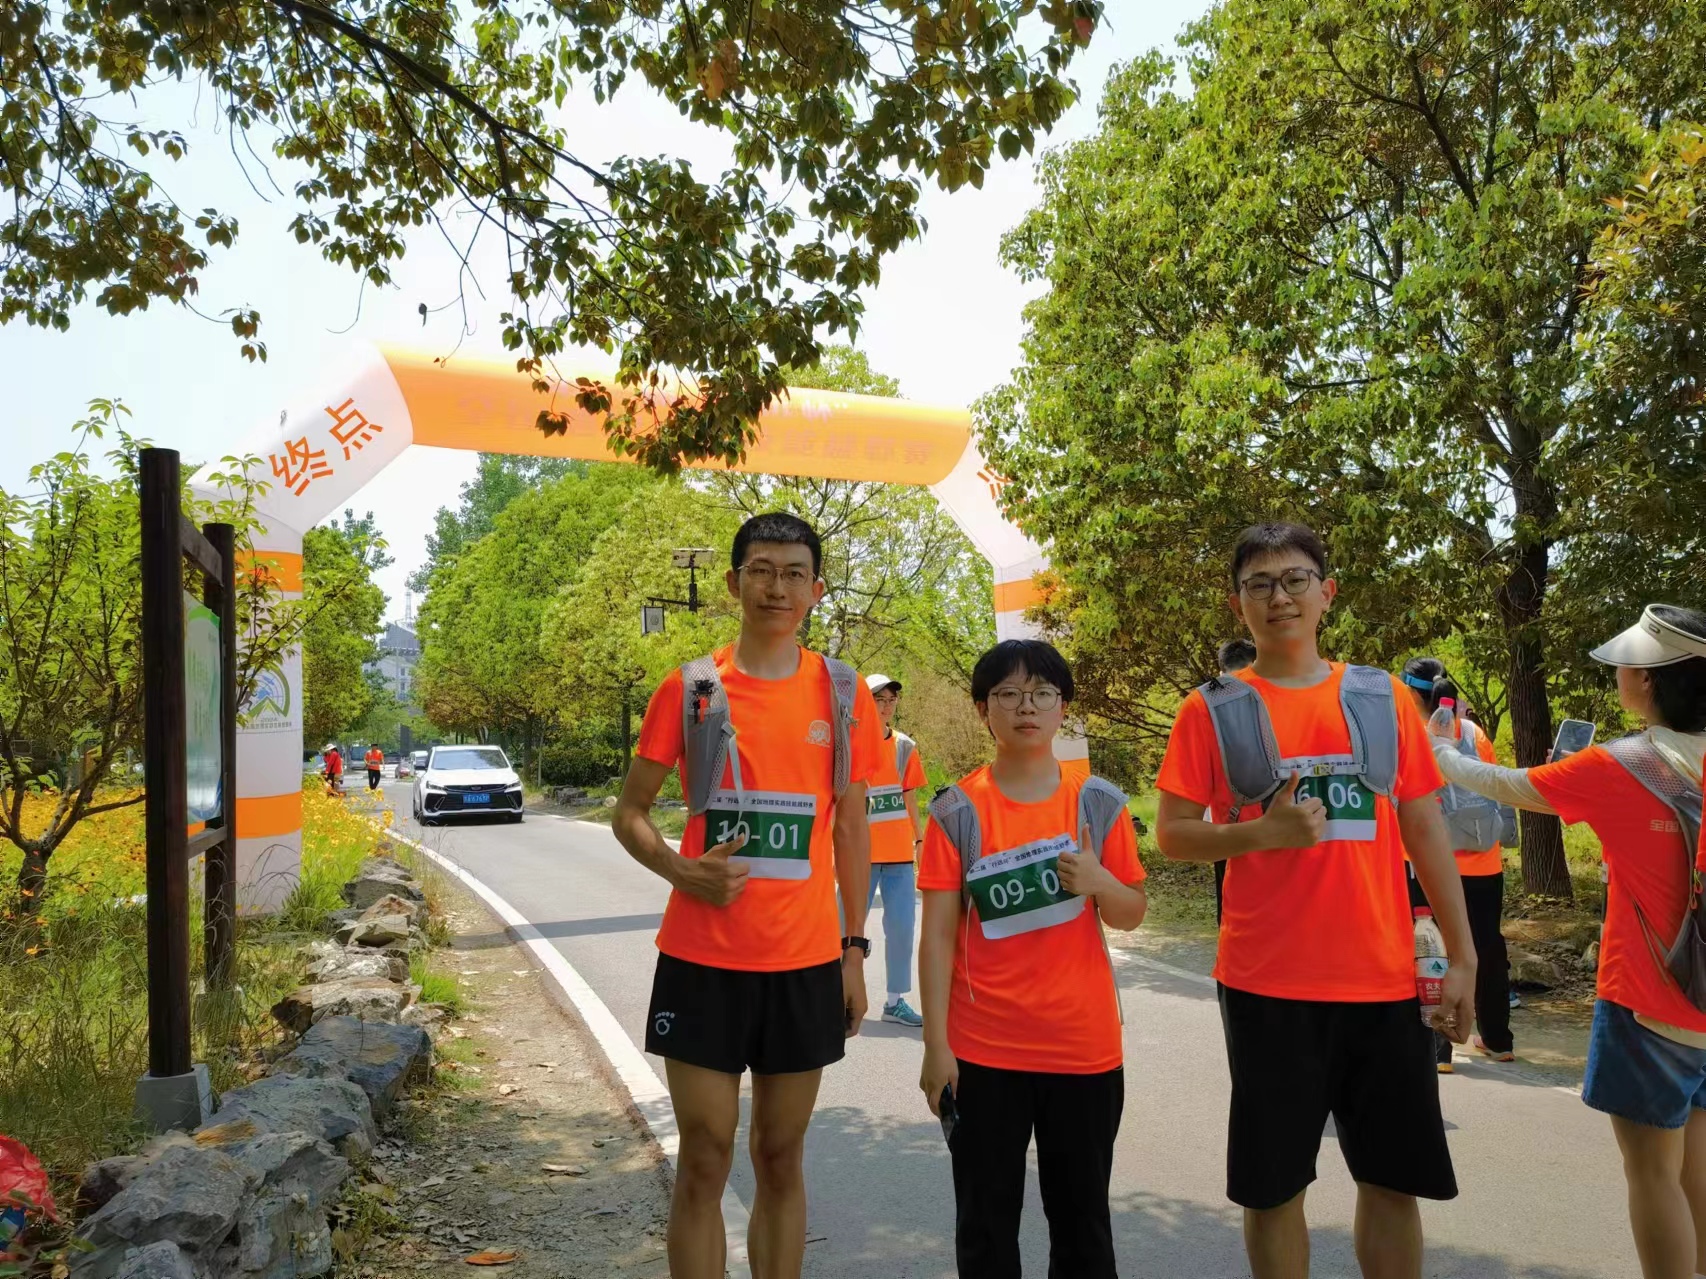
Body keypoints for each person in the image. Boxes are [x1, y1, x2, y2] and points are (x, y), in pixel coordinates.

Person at [1155, 522, 1474, 1279]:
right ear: (1237, 604)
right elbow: (1172, 834)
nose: (1280, 597)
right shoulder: (1212, 709)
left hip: (1383, 981)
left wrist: (1463, 955)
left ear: (1326, 592)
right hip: (1268, 985)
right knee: (1273, 1189)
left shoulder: (1380, 696)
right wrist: (1262, 833)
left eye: (1295, 579)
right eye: (1260, 584)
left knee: (1393, 1181)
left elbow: (1424, 826)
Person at [612, 512, 885, 1279]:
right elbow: (629, 813)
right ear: (734, 582)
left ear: (817, 590)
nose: (777, 587)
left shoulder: (843, 694)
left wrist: (853, 951)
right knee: (704, 1156)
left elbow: (852, 828)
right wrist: (682, 871)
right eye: (762, 570)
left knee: (780, 1153)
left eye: (794, 573)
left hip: (804, 964)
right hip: (702, 960)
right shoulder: (693, 688)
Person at [1429, 604, 1706, 1279]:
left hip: (1649, 1001)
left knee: (1652, 1174)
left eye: (1627, 667)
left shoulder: (1625, 764)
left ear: (1649, 678)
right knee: (1696, 1167)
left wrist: (1439, 748)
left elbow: (1505, 785)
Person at [917, 638, 1147, 1278]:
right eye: (1009, 694)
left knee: (1083, 1227)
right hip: (983, 1054)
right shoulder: (957, 812)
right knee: (985, 1229)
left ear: (1063, 707)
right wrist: (936, 1046)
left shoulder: (1097, 803)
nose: (1027, 707)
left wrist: (1099, 881)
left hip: (1083, 1051)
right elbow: (937, 938)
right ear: (983, 709)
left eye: (1043, 693)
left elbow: (1131, 912)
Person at [1398, 658, 1516, 1072]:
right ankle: (1498, 1040)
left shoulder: (1410, 734)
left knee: (1431, 947)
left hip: (1429, 863)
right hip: (1484, 862)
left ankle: (1440, 1049)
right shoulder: (1474, 732)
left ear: (1410, 693)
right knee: (1486, 946)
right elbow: (1493, 787)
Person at [862, 672, 928, 1027]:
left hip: (899, 855)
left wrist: (920, 840)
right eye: (879, 699)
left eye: (891, 700)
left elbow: (910, 798)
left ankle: (894, 1002)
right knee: (845, 928)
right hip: (859, 854)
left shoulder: (904, 746)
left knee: (902, 929)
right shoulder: (851, 743)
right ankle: (836, 995)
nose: (886, 706)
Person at [1213, 638, 1258, 922]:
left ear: (1221, 670)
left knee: (1230, 908)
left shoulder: (1207, 703)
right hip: (1269, 823)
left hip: (1223, 826)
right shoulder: (1267, 697)